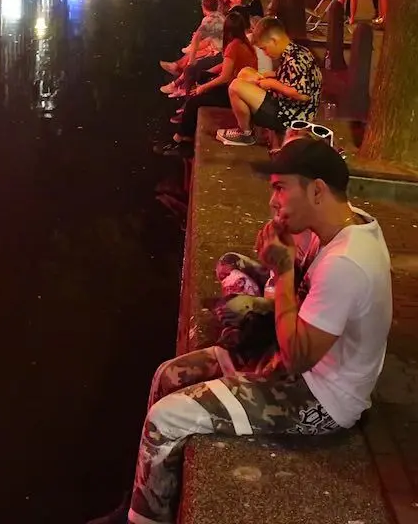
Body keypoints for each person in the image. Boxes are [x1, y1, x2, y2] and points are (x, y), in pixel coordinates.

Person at [89, 137, 392, 524]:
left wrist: (281, 272)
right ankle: (144, 497)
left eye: (281, 189)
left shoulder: (347, 263)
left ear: (317, 190)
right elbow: (303, 292)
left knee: (165, 419)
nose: (273, 202)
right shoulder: (339, 225)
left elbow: (299, 356)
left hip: (320, 398)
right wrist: (282, 253)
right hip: (295, 363)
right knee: (169, 375)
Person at [157, 11, 258, 156]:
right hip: (239, 88)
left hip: (234, 92)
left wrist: (203, 87)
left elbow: (224, 77)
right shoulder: (245, 44)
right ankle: (182, 134)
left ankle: (180, 141)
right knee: (198, 82)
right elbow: (225, 66)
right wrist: (207, 73)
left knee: (195, 101)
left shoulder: (233, 46)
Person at [217, 17, 322, 147]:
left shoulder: (295, 60)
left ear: (274, 41)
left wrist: (272, 84)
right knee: (245, 72)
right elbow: (292, 77)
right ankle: (249, 128)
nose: (265, 54)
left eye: (265, 48)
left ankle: (246, 134)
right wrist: (269, 75)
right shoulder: (296, 51)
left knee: (235, 86)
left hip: (290, 116)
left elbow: (303, 95)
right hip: (287, 106)